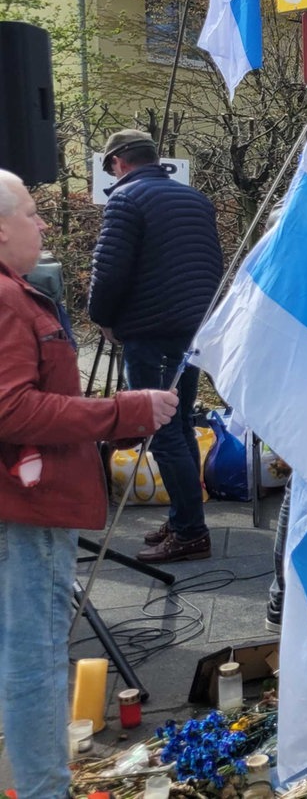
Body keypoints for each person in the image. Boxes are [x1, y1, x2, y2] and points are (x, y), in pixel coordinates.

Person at [1, 168, 180, 799]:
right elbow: (12, 409)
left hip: (30, 502)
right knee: (33, 664)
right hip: (25, 512)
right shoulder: (3, 299)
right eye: (31, 213)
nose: (44, 224)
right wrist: (121, 412)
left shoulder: (15, 293)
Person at [89, 129, 224, 564]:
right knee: (181, 422)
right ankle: (184, 515)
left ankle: (189, 532)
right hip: (193, 328)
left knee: (162, 428)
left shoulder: (126, 200)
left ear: (120, 163)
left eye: (111, 166)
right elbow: (210, 262)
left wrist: (104, 318)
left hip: (152, 330)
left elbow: (109, 269)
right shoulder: (196, 199)